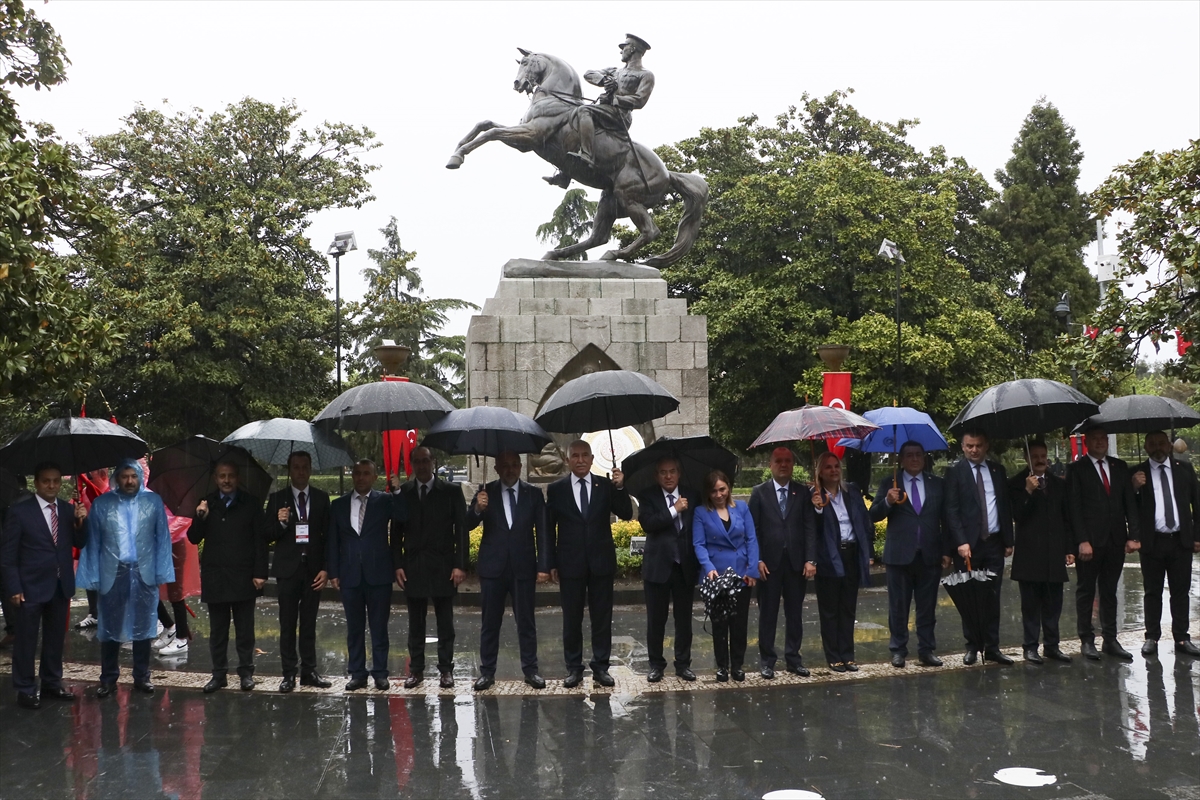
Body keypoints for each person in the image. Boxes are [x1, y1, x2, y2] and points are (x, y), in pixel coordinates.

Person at [77, 459, 174, 696]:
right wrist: (92, 576)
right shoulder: (102, 504)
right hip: (112, 571)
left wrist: (162, 571)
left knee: (145, 626)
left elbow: (162, 538)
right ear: (116, 478)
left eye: (133, 476)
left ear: (140, 477)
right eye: (124, 476)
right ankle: (108, 678)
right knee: (109, 626)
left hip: (144, 571)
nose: (129, 481)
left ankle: (142, 676)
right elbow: (93, 543)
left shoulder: (153, 502)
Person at [546, 439, 633, 688]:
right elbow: (549, 528)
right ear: (567, 460)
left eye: (585, 455)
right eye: (576, 456)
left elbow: (626, 513)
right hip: (569, 563)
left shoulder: (605, 485)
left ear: (593, 459)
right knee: (571, 619)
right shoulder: (557, 489)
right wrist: (550, 561)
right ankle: (573, 668)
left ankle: (601, 667)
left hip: (601, 562)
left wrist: (620, 487)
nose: (581, 460)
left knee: (602, 618)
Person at [1, 462, 88, 709]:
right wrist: (13, 587)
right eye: (46, 481)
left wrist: (82, 521)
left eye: (56, 481)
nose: (52, 485)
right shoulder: (19, 512)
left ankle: (51, 683)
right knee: (26, 640)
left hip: (60, 586)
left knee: (54, 639)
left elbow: (80, 543)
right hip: (29, 587)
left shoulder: (68, 510)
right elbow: (7, 556)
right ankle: (25, 689)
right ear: (37, 483)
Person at [467, 450, 552, 691]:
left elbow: (544, 532)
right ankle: (487, 672)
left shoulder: (533, 494)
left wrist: (544, 566)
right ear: (496, 468)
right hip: (493, 568)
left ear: (521, 466)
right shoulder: (486, 492)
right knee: (489, 622)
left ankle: (531, 670)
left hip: (523, 567)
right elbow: (467, 523)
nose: (510, 469)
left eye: (515, 464)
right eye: (505, 465)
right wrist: (477, 509)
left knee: (526, 621)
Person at [187, 460, 268, 693]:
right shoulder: (207, 503)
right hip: (216, 576)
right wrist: (200, 516)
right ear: (215, 478)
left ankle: (246, 672)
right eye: (222, 476)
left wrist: (260, 572)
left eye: (231, 475)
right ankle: (218, 674)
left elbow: (259, 541)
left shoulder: (250, 503)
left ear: (238, 477)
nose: (226, 480)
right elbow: (193, 538)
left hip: (243, 575)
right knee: (218, 631)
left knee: (245, 630)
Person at [327, 459, 408, 691]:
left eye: (366, 473)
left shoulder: (385, 501)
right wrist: (334, 571)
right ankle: (357, 673)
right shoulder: (339, 505)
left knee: (379, 627)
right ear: (353, 476)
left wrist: (398, 490)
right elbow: (333, 540)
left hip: (378, 574)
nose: (361, 477)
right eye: (357, 473)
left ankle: (381, 673)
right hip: (349, 574)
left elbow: (403, 516)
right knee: (354, 627)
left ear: (374, 477)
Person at [870, 441, 948, 669]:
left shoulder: (937, 484)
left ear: (924, 458)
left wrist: (946, 551)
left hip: (929, 554)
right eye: (909, 455)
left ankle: (926, 649)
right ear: (901, 460)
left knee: (927, 607)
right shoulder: (890, 483)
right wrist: (888, 501)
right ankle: (898, 650)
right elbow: (873, 514)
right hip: (899, 556)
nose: (914, 459)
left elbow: (946, 519)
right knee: (898, 606)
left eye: (918, 455)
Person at [395, 447, 468, 690]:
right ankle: (416, 670)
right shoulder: (404, 493)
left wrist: (460, 565)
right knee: (415, 623)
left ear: (433, 462)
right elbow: (395, 533)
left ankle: (446, 670)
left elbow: (461, 530)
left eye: (426, 461)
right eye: (417, 461)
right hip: (413, 567)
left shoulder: (450, 491)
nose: (422, 465)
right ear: (412, 465)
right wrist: (397, 565)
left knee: (445, 622)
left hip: (443, 566)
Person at [1066, 424, 1140, 660]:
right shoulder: (1077, 469)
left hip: (1116, 540)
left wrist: (1133, 536)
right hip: (1090, 543)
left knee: (1110, 591)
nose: (1100, 442)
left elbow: (1129, 503)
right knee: (1086, 591)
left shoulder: (1120, 467)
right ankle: (1087, 640)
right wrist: (1082, 541)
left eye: (1103, 438)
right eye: (1095, 439)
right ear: (1087, 442)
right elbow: (1074, 509)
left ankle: (1110, 639)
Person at [262, 451, 333, 692]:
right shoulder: (277, 499)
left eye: (304, 467)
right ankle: (288, 673)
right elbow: (267, 534)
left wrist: (326, 568)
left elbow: (328, 538)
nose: (300, 471)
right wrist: (280, 522)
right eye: (296, 467)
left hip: (313, 570)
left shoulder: (323, 499)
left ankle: (309, 671)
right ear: (289, 470)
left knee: (310, 622)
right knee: (288, 623)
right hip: (288, 570)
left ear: (310, 469)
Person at [944, 430, 1014, 665]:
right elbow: (951, 511)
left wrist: (1008, 540)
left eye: (979, 446)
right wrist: (960, 541)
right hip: (967, 547)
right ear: (963, 447)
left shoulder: (997, 470)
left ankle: (992, 646)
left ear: (986, 446)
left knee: (992, 597)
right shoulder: (955, 473)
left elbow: (1004, 506)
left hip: (993, 544)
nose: (974, 450)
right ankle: (973, 646)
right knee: (970, 598)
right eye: (969, 446)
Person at [747, 446, 816, 679]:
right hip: (769, 564)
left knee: (795, 613)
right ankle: (767, 661)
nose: (783, 464)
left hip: (796, 564)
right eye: (779, 461)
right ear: (771, 465)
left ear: (793, 465)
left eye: (788, 461)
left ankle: (793, 659)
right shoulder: (759, 493)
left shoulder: (803, 492)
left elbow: (809, 527)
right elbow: (752, 530)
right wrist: (756, 559)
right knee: (768, 613)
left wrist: (810, 559)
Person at [1131, 429, 1199, 657]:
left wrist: (1197, 536)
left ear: (1169, 445)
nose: (1157, 447)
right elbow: (1127, 507)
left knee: (1181, 591)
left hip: (1181, 541)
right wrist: (1134, 488)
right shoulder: (1137, 473)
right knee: (1152, 591)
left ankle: (1181, 638)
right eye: (1152, 443)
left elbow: (1198, 505)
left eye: (1161, 443)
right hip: (1152, 542)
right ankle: (1152, 637)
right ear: (1146, 447)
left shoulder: (1185, 470)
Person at [1008, 441, 1074, 664]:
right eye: (1034, 456)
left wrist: (1068, 549)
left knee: (1053, 604)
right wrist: (1027, 491)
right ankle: (1030, 646)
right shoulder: (1016, 484)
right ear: (1027, 458)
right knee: (1030, 605)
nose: (1040, 459)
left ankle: (1052, 646)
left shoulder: (1058, 483)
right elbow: (1017, 515)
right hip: (1029, 554)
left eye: (1043, 455)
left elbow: (1066, 519)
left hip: (1054, 552)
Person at [635, 456, 700, 683]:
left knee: (684, 620)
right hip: (658, 567)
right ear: (657, 476)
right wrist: (674, 509)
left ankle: (683, 664)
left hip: (685, 566)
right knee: (656, 620)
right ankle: (656, 665)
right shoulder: (648, 496)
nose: (668, 476)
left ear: (679, 473)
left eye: (672, 471)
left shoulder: (692, 495)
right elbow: (648, 524)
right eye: (663, 472)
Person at [692, 470, 759, 682]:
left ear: (728, 487)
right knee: (719, 623)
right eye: (714, 491)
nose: (719, 494)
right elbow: (699, 544)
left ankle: (737, 665)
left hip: (740, 574)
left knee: (739, 623)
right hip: (716, 576)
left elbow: (752, 539)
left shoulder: (742, 508)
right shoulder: (701, 512)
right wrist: (708, 566)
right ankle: (722, 666)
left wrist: (752, 570)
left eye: (722, 489)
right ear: (708, 493)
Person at [810, 452, 874, 672]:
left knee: (848, 608)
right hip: (829, 556)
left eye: (836, 466)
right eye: (828, 467)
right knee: (830, 609)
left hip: (852, 555)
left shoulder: (852, 491)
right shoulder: (814, 495)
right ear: (820, 471)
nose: (833, 470)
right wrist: (817, 509)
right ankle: (834, 655)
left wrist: (869, 552)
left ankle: (848, 654)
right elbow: (811, 530)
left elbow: (864, 522)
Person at [567, 34, 655, 172]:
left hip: (621, 115)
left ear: (632, 49)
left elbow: (640, 100)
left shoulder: (645, 74)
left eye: (623, 47)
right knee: (573, 117)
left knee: (584, 110)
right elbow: (588, 73)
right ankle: (565, 172)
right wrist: (603, 80)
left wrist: (615, 100)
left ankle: (587, 155)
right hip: (605, 110)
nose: (621, 51)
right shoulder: (614, 71)